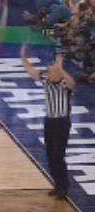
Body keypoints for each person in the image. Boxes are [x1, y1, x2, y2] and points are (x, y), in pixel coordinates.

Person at [21, 47, 75, 199]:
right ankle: (57, 185)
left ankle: (63, 187)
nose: (47, 72)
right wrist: (23, 57)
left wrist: (60, 67)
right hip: (49, 121)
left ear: (58, 73)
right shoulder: (46, 80)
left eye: (50, 70)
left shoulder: (64, 84)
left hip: (62, 123)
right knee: (50, 155)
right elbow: (30, 70)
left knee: (58, 155)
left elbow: (72, 83)